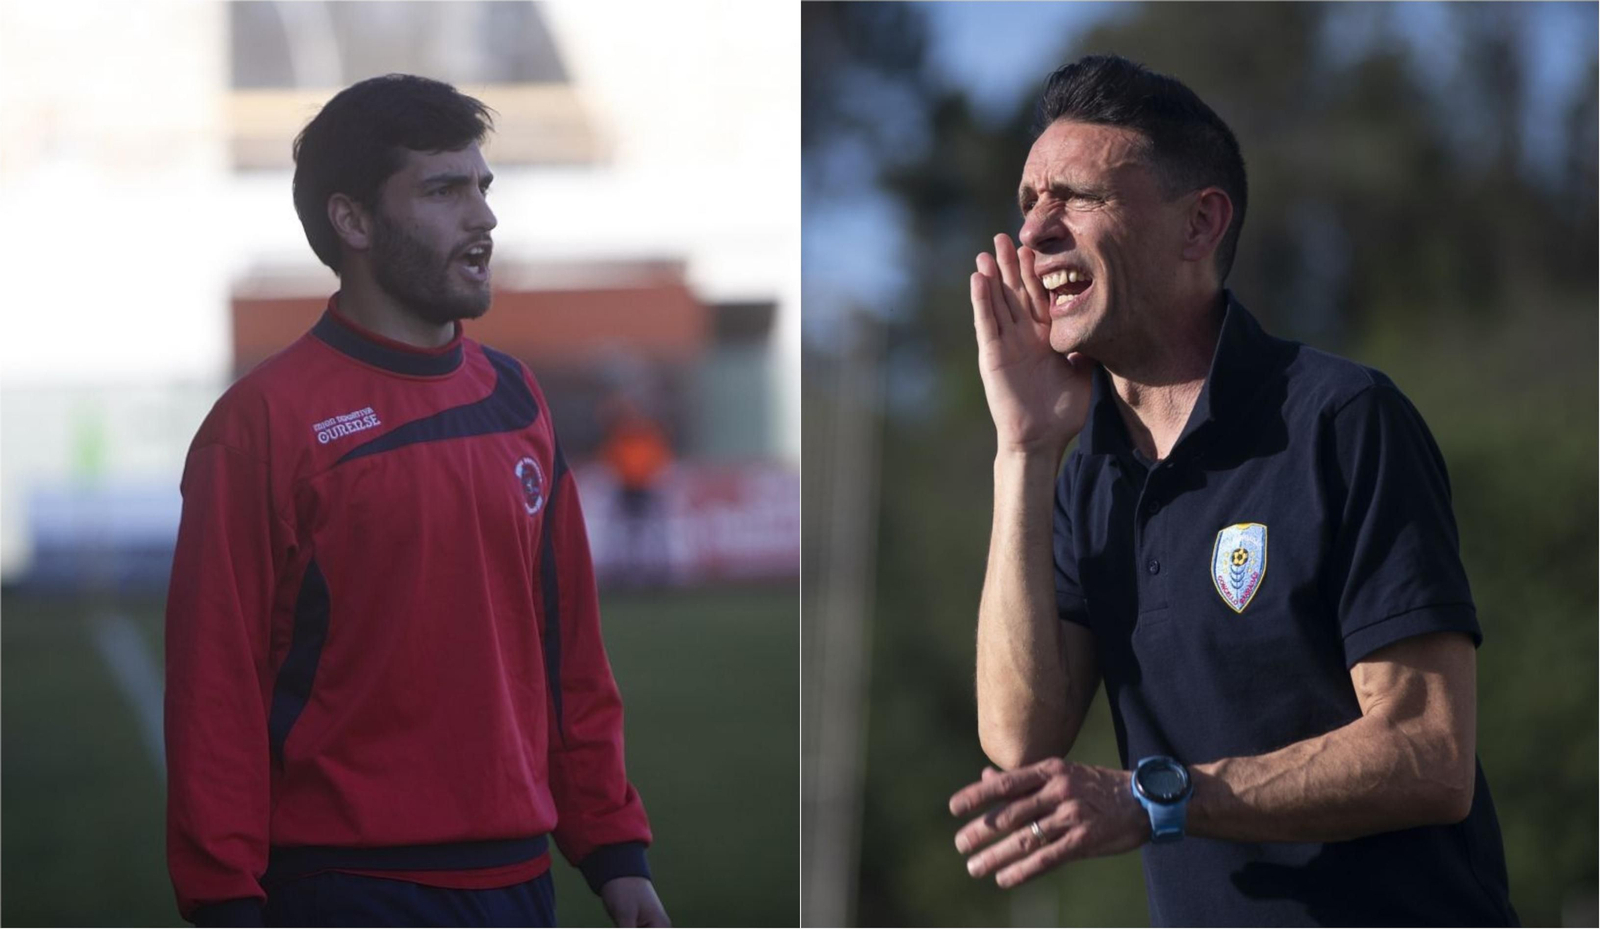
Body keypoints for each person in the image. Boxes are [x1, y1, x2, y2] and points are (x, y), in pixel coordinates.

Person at [947, 55, 1517, 926]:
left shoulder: (1341, 417)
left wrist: (1155, 798)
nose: (1034, 234)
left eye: (1076, 197)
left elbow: (1429, 752)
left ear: (1199, 225)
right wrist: (1022, 448)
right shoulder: (1082, 473)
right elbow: (1019, 738)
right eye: (1027, 204)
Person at [164, 74, 669, 928]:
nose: (484, 217)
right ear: (352, 221)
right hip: (343, 891)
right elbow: (215, 688)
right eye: (443, 190)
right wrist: (223, 899)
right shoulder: (260, 426)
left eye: (483, 186)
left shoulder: (519, 398)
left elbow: (569, 651)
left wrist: (617, 852)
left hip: (519, 885)